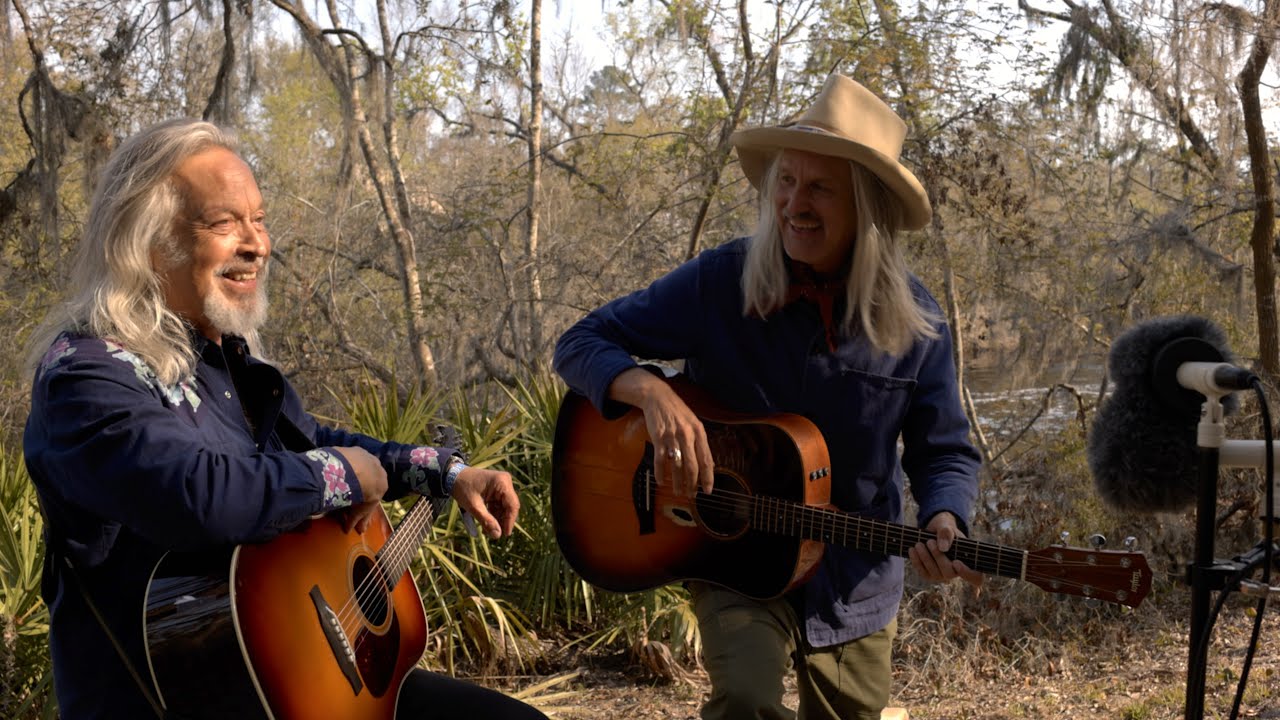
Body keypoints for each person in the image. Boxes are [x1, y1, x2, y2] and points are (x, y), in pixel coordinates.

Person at [22, 118, 547, 720]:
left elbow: (310, 442)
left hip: (295, 683)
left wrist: (445, 473)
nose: (257, 244)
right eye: (223, 223)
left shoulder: (225, 357)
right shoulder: (86, 376)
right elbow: (199, 496)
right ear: (146, 243)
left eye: (260, 220)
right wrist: (344, 475)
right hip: (177, 700)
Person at [553, 74, 983, 720]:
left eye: (819, 188)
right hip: (733, 557)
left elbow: (944, 449)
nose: (793, 204)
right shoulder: (722, 282)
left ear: (865, 207)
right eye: (786, 181)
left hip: (852, 574)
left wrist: (947, 517)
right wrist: (645, 391)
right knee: (748, 699)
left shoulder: (916, 322)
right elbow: (581, 341)